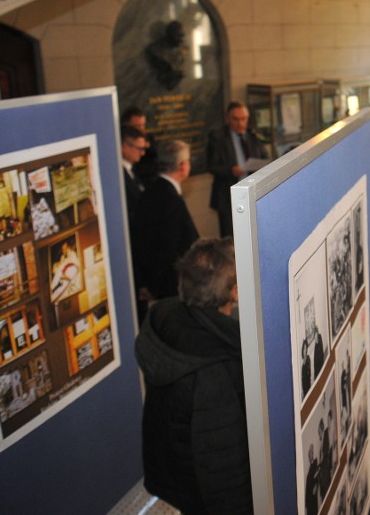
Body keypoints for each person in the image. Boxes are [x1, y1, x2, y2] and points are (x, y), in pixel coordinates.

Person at [135, 238, 252, 514]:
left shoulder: (166, 325)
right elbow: (223, 464)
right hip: (203, 495)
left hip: (172, 475)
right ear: (234, 292)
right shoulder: (215, 369)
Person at [133, 139, 199, 306]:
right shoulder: (170, 199)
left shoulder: (151, 190)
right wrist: (153, 286)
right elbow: (167, 248)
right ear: (182, 166)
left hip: (156, 281)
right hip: (171, 286)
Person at [207, 101, 267, 238]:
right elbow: (212, 166)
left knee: (253, 234)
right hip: (227, 194)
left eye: (244, 119)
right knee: (231, 236)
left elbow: (265, 157)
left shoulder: (253, 135)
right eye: (236, 119)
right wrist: (231, 170)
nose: (241, 123)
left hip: (252, 192)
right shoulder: (217, 137)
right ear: (227, 119)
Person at [121, 106, 157, 188]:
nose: (141, 130)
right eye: (137, 126)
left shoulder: (149, 138)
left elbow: (155, 156)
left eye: (143, 125)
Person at [120, 124, 149, 226]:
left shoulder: (133, 169)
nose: (142, 153)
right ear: (124, 147)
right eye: (139, 149)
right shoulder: (119, 175)